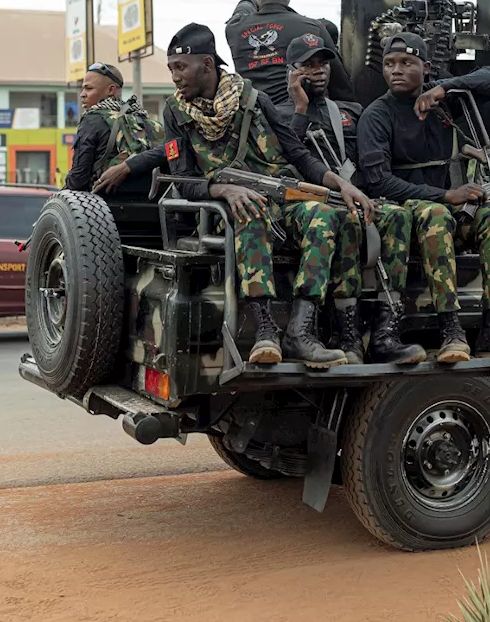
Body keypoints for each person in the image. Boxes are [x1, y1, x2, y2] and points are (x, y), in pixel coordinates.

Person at [95, 23, 376, 369]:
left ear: (208, 65)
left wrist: (341, 184)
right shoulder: (175, 113)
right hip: (231, 207)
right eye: (171, 69)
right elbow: (183, 180)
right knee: (248, 208)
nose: (175, 77)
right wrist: (223, 189)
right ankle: (265, 330)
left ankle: (301, 331)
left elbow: (297, 154)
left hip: (283, 195)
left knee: (327, 217)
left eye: (181, 67)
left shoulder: (255, 100)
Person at [356, 32, 490, 363]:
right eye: (389, 64)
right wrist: (446, 195)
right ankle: (451, 332)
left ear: (426, 67)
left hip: (451, 212)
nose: (396, 71)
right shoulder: (377, 115)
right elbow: (378, 182)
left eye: (406, 63)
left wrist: (446, 87)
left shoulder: (444, 102)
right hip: (405, 219)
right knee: (436, 214)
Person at [275, 35, 425, 365]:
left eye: (323, 64)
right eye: (309, 65)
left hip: (359, 199)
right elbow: (282, 161)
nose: (318, 71)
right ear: (293, 71)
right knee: (344, 219)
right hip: (312, 205)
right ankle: (347, 333)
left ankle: (386, 333)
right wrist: (299, 106)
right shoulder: (279, 113)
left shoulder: (351, 111)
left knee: (399, 216)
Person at [225, 0, 355, 105]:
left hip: (252, 120)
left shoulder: (234, 29)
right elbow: (341, 89)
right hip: (298, 116)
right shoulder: (313, 28)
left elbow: (242, 8)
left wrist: (250, 0)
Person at [63, 62, 162, 193]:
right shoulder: (145, 120)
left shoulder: (92, 119)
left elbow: (78, 179)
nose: (82, 94)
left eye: (88, 89)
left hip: (105, 202)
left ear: (110, 90)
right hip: (152, 199)